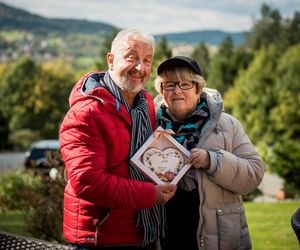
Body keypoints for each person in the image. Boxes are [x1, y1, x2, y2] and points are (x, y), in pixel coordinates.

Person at [59, 29, 177, 250]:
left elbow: (141, 156)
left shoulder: (146, 104)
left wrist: (161, 143)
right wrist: (150, 195)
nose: (140, 67)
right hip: (102, 238)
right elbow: (88, 182)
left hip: (144, 232)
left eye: (147, 60)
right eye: (132, 57)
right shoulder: (86, 114)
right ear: (111, 61)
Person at [154, 56, 265, 250]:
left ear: (198, 89)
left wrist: (212, 161)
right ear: (162, 91)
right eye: (169, 85)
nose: (177, 90)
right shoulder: (149, 126)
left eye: (185, 84)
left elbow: (254, 174)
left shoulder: (227, 125)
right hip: (165, 237)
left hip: (219, 239)